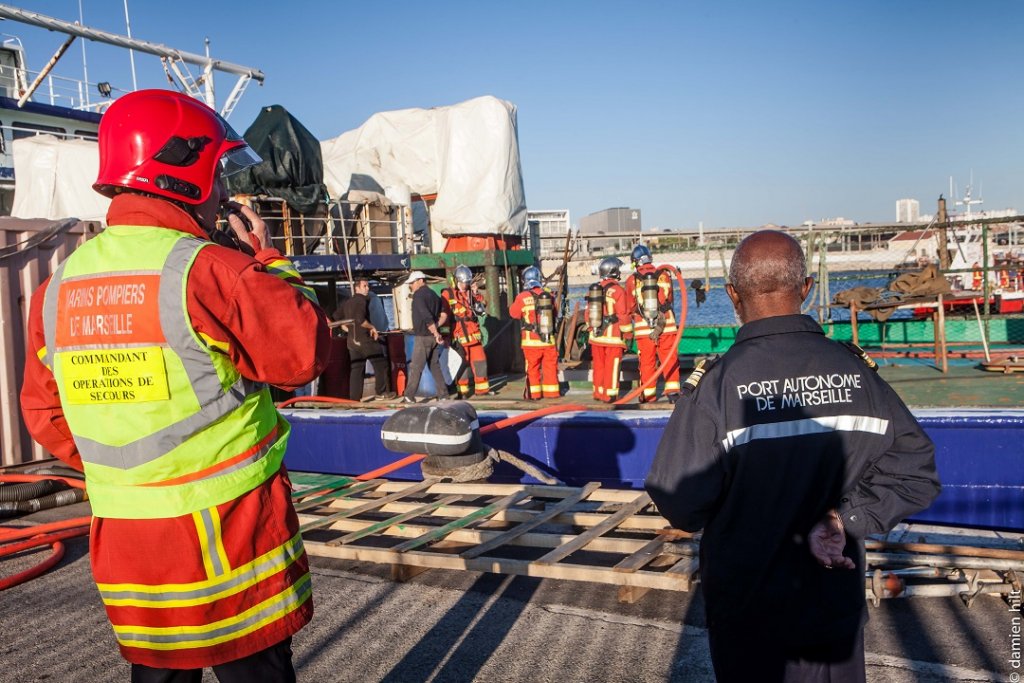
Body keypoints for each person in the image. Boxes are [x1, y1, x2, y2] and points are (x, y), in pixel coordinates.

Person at [20, 89, 331, 682]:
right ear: (183, 173)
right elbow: (302, 352)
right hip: (229, 540)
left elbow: (44, 413)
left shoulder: (57, 289)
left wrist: (129, 469)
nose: (220, 193)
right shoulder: (211, 268)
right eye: (215, 174)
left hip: (129, 550)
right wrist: (267, 256)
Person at [645, 230, 940, 683]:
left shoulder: (717, 387)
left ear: (732, 296)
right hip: (832, 612)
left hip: (750, 617)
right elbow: (915, 471)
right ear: (805, 290)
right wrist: (844, 518)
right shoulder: (857, 373)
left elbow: (679, 500)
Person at [625, 244, 681, 403]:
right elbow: (670, 299)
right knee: (669, 359)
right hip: (667, 324)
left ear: (636, 262)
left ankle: (648, 396)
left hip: (644, 328)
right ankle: (673, 393)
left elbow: (630, 306)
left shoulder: (632, 280)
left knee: (647, 362)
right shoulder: (665, 274)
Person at [509, 266, 559, 399]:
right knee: (550, 368)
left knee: (532, 368)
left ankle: (535, 395)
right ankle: (552, 394)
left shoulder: (522, 297)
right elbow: (555, 313)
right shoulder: (549, 295)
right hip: (548, 340)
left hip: (531, 342)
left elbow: (514, 314)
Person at [340, 278, 395, 402]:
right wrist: (372, 327)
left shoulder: (347, 302)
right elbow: (360, 319)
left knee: (357, 369)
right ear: (357, 288)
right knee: (381, 364)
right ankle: (381, 393)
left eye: (368, 286)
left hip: (351, 342)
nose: (367, 288)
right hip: (364, 340)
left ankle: (354, 399)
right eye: (364, 286)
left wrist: (348, 330)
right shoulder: (361, 300)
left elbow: (338, 319)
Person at [441, 265, 490, 398]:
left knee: (480, 361)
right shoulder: (448, 294)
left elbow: (482, 306)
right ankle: (462, 392)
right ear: (456, 281)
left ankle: (482, 390)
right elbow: (444, 317)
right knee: (462, 365)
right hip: (459, 335)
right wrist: (445, 337)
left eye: (467, 282)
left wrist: (476, 294)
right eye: (462, 282)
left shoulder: (470, 293)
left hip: (474, 334)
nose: (464, 285)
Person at [587, 257, 632, 402]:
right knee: (612, 366)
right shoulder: (618, 290)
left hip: (596, 335)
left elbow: (588, 313)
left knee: (599, 365)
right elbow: (623, 315)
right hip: (613, 337)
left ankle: (598, 393)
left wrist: (591, 328)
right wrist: (628, 334)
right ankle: (610, 395)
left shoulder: (594, 289)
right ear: (614, 272)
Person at [403, 270, 448, 403]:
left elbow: (425, 316)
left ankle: (409, 395)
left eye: (412, 283)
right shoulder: (434, 294)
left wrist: (434, 331)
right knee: (434, 366)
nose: (411, 286)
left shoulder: (418, 296)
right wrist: (436, 328)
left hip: (423, 337)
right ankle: (443, 395)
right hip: (432, 337)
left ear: (420, 281)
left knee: (416, 366)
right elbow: (444, 314)